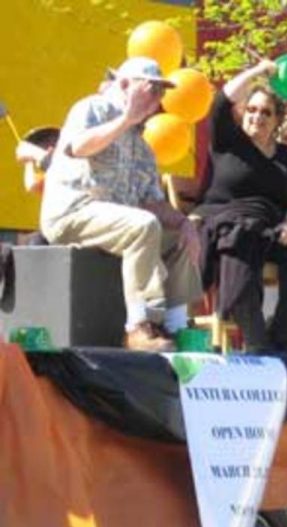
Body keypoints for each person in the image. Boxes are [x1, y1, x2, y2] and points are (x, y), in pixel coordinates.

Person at [39, 56, 202, 351]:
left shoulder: (142, 144)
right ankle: (137, 327)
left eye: (161, 92)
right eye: (152, 89)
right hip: (73, 213)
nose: (157, 99)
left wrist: (183, 222)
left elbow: (151, 200)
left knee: (180, 235)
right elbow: (77, 147)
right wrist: (126, 118)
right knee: (142, 225)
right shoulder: (92, 108)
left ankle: (177, 326)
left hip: (116, 221)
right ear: (126, 84)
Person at [193, 59, 287, 353]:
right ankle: (256, 340)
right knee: (241, 237)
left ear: (277, 120)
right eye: (251, 109)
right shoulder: (228, 140)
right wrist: (258, 73)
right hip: (229, 219)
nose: (257, 117)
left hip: (273, 224)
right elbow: (222, 100)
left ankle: (285, 340)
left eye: (266, 112)